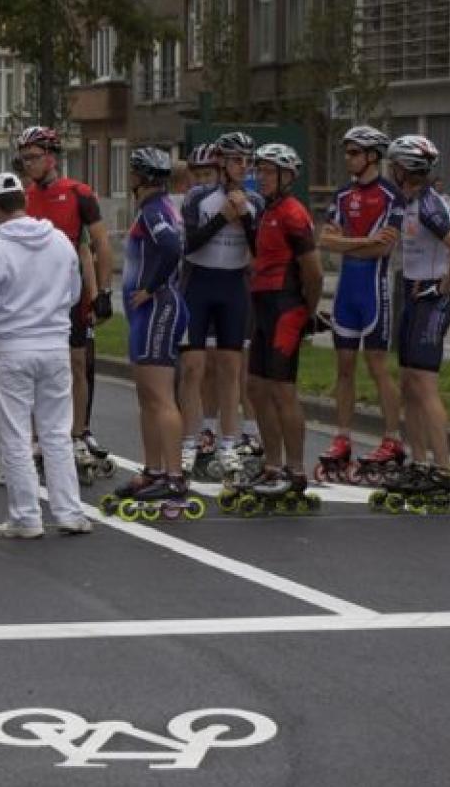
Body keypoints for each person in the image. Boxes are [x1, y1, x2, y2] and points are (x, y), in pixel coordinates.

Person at [0, 172, 92, 539]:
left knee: (17, 435)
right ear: (24, 200)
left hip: (13, 347)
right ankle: (69, 512)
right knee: (57, 433)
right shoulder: (60, 241)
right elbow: (73, 293)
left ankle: (26, 517)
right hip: (55, 345)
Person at [227, 142, 324, 513]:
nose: (261, 177)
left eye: (269, 171)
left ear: (287, 176)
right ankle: (272, 465)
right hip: (263, 306)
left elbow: (314, 272)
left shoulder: (294, 213)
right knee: (256, 387)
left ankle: (296, 471)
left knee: (283, 391)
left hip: (286, 308)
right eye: (260, 170)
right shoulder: (268, 210)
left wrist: (307, 312)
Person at [18, 125, 115, 481]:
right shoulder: (23, 197)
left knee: (76, 363)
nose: (28, 164)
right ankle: (36, 439)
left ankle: (77, 434)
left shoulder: (78, 193)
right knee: (35, 368)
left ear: (51, 157)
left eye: (33, 157)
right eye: (24, 159)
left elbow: (99, 243)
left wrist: (103, 292)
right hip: (35, 297)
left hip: (71, 294)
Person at [316, 124, 406, 484]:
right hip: (345, 291)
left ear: (372, 156)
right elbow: (325, 240)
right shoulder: (342, 194)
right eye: (347, 152)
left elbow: (383, 249)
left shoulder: (391, 195)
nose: (348, 158)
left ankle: (392, 438)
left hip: (374, 289)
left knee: (377, 366)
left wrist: (348, 243)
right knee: (344, 367)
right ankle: (342, 437)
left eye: (354, 153)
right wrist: (364, 241)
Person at [385, 136, 450, 485]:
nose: (390, 171)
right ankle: (419, 462)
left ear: (404, 169)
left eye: (393, 166)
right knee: (408, 382)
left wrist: (445, 288)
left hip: (432, 297)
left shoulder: (429, 206)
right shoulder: (407, 200)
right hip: (411, 292)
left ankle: (443, 468)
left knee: (424, 384)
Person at [109, 147, 192, 517]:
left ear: (139, 177)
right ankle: (154, 470)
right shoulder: (157, 208)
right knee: (146, 396)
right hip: (146, 312)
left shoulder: (154, 210)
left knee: (160, 397)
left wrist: (152, 286)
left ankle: (174, 477)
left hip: (158, 308)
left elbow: (172, 247)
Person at [176, 131, 259, 480]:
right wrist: (224, 217)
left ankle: (228, 443)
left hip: (233, 286)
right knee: (192, 367)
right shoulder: (198, 197)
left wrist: (247, 219)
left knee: (230, 367)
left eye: (248, 161)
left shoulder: (255, 200)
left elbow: (260, 248)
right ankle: (188, 442)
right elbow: (190, 244)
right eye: (238, 160)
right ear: (222, 163)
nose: (244, 167)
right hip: (199, 284)